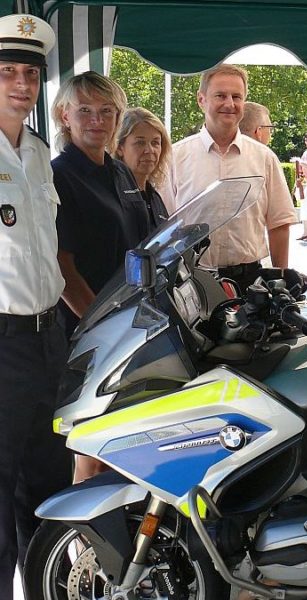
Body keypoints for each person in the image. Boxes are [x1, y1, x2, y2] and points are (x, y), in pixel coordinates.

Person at [53, 72, 163, 483]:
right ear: (65, 116)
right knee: (92, 445)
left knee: (124, 442)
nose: (96, 120)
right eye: (85, 111)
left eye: (107, 111)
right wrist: (97, 325)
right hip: (88, 331)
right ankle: (83, 540)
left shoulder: (118, 173)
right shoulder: (60, 176)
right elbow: (62, 266)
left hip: (129, 326)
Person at [0, 15, 70, 596]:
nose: (21, 85)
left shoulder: (39, 153)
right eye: (7, 73)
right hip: (2, 344)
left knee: (49, 490)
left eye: (30, 73)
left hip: (49, 339)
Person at [167, 64, 297, 291]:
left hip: (251, 283)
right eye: (220, 95)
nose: (229, 103)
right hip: (192, 282)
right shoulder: (175, 157)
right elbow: (163, 225)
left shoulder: (264, 158)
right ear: (201, 100)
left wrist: (280, 281)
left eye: (237, 96)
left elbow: (279, 223)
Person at [114, 107, 171, 221]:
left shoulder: (154, 197)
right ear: (119, 147)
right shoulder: (113, 196)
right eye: (140, 143)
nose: (149, 150)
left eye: (155, 143)